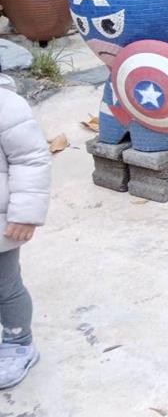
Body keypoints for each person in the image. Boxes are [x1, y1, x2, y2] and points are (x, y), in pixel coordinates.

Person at [0, 69, 50, 390]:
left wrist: (25, 214)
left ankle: (19, 342)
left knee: (5, 287)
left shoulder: (6, 106)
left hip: (2, 224)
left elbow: (31, 160)